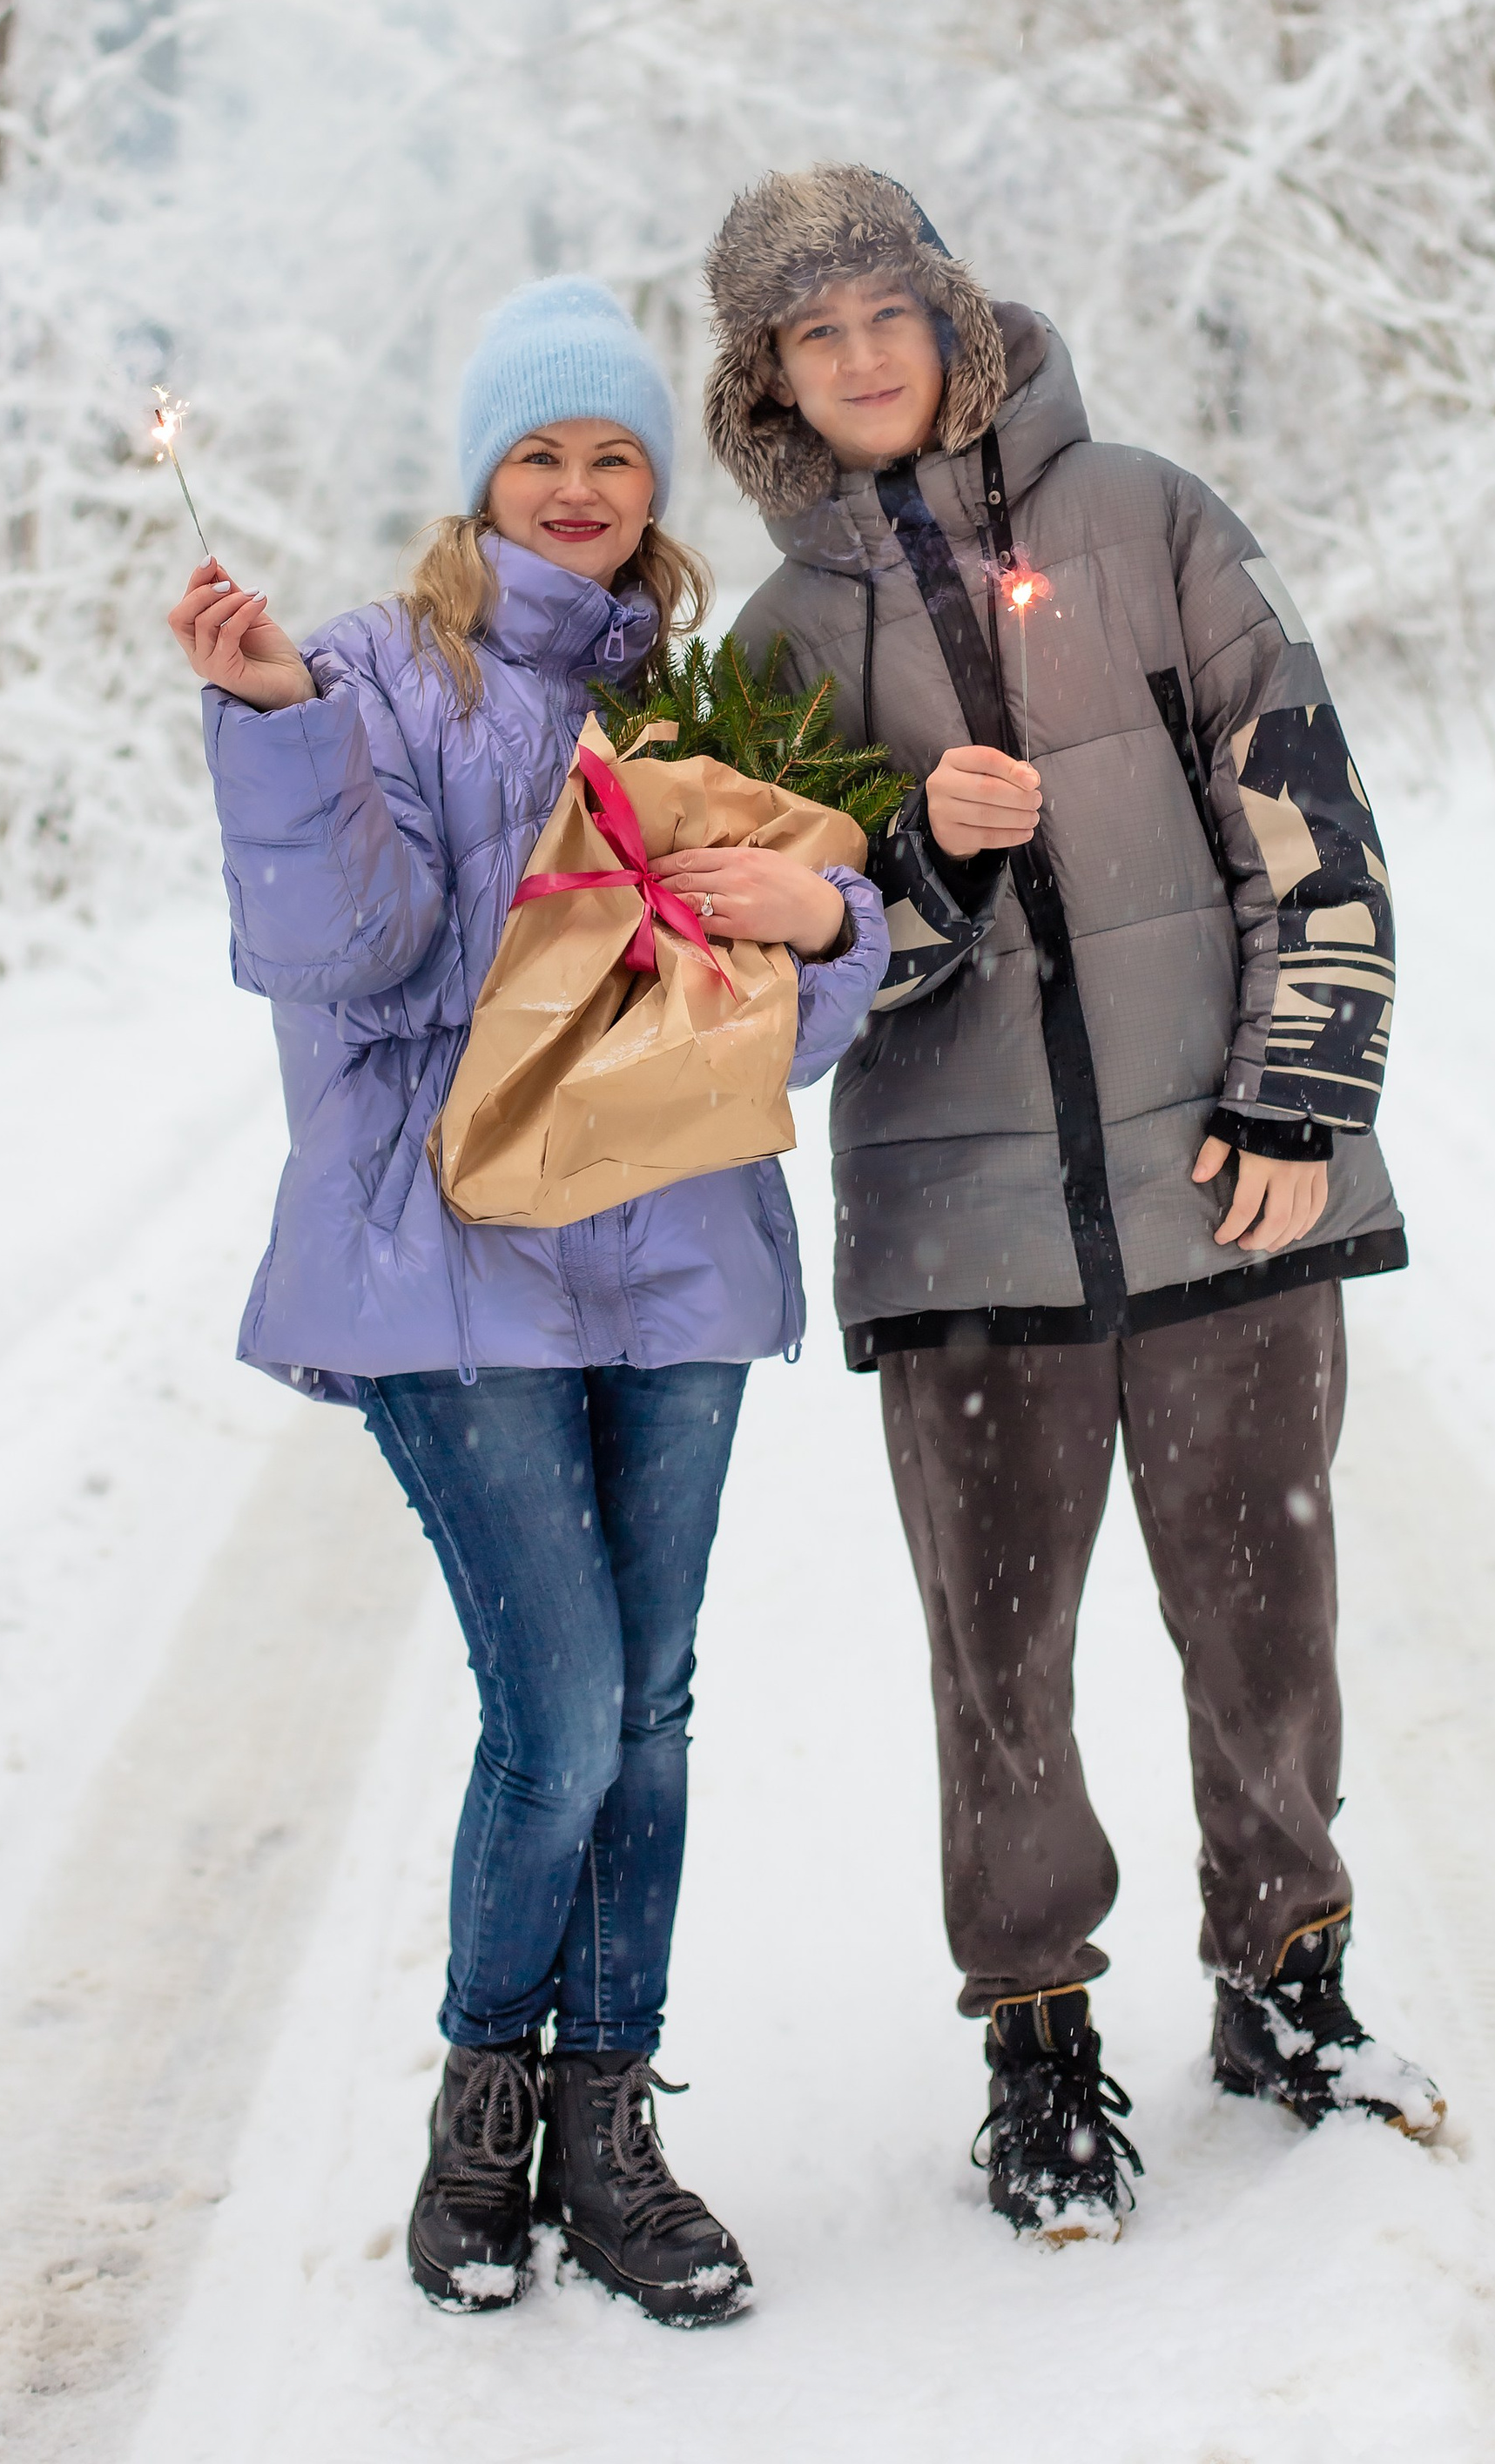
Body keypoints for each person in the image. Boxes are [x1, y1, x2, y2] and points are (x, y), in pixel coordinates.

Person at [702, 166, 1441, 2245]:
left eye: (887, 310)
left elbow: (1307, 810)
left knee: (1263, 1620)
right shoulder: (777, 648)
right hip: (964, 1238)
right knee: (998, 1663)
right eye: (813, 334)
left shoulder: (1146, 520)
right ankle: (1034, 2046)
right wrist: (916, 865)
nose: (862, 356)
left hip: (1223, 1191)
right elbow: (781, 990)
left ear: (949, 315)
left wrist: (1298, 1097)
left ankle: (1284, 1985)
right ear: (768, 381)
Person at [168, 275, 886, 2326]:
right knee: (559, 1713)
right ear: (481, 473)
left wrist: (827, 914)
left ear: (652, 484)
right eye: (539, 452)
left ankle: (608, 2133)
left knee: (646, 1715)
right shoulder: (369, 670)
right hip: (445, 1258)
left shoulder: (699, 696)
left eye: (612, 456)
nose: (576, 487)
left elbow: (776, 1017)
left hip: (670, 1256)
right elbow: (346, 955)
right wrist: (278, 726)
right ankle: (480, 2118)